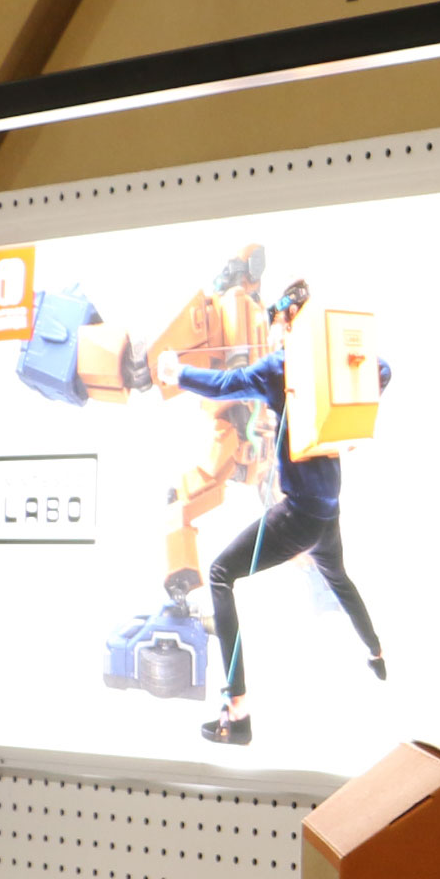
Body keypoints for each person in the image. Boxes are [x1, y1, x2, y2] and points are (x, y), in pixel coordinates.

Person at [155, 278, 384, 746]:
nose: (273, 330)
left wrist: (179, 373)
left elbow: (226, 384)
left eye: (277, 321)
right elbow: (381, 370)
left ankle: (237, 710)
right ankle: (376, 652)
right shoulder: (327, 361)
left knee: (220, 575)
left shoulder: (283, 366)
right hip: (328, 512)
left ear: (288, 319)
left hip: (300, 515)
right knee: (339, 580)